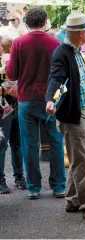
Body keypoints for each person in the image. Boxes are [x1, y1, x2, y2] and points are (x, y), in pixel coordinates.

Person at [45, 13, 85, 224]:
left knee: (78, 160)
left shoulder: (74, 50)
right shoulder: (62, 53)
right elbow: (56, 78)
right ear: (80, 33)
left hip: (81, 113)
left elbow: (67, 81)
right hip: (73, 116)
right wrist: (51, 100)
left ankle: (72, 200)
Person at [5, 7, 65, 200]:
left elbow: (11, 74)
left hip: (27, 99)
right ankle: (58, 186)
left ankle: (33, 187)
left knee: (30, 144)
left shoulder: (19, 43)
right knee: (55, 142)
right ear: (45, 21)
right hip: (51, 99)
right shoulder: (56, 42)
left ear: (26, 23)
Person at [0, 36, 26, 194]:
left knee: (17, 143)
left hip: (16, 106)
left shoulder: (13, 62)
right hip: (3, 108)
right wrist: (6, 89)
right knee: (2, 145)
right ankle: (1, 179)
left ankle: (19, 176)